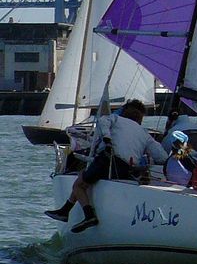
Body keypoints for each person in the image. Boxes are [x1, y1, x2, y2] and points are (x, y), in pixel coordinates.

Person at [46, 99, 171, 233]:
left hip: (108, 161)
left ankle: (88, 216)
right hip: (126, 170)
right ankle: (65, 211)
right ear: (140, 118)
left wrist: (107, 138)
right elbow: (162, 157)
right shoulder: (145, 134)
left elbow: (102, 121)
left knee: (79, 183)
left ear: (124, 111)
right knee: (85, 178)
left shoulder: (116, 119)